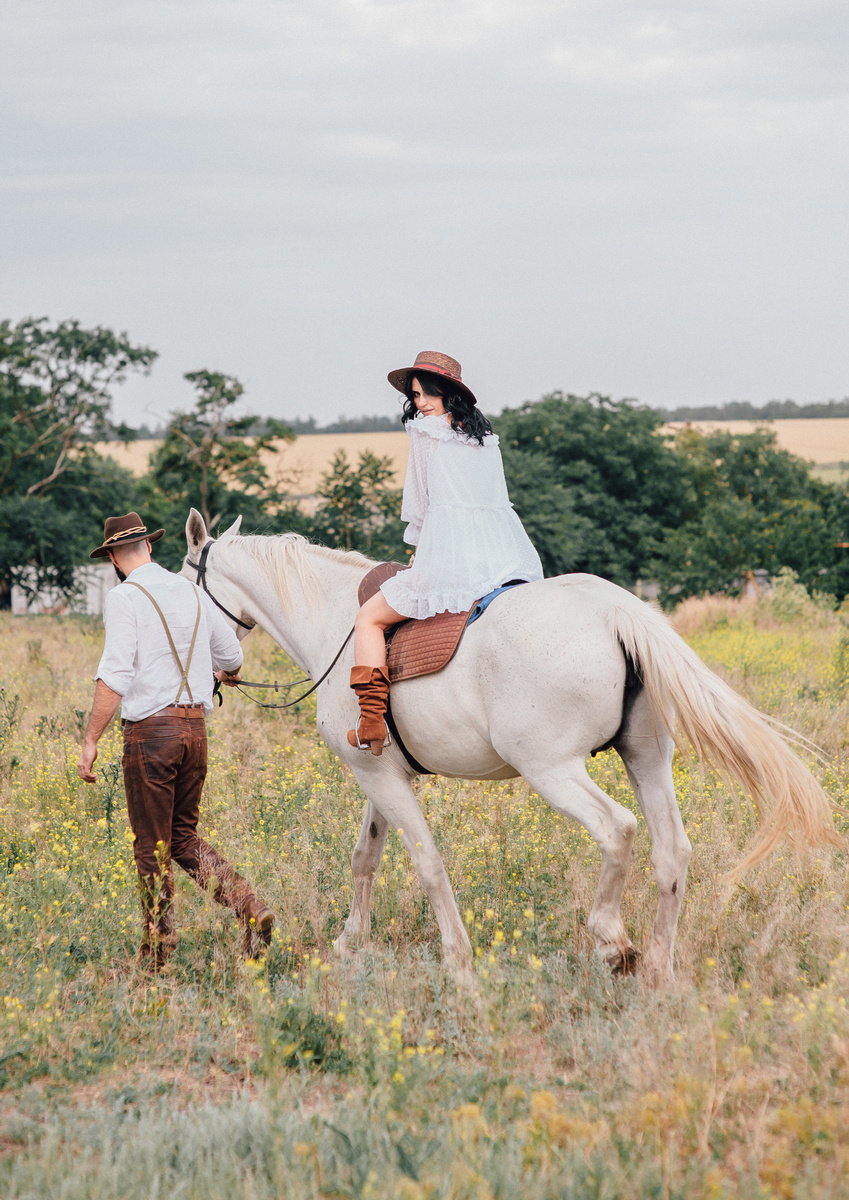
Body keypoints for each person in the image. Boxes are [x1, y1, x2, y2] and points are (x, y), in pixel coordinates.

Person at [77, 512, 275, 970]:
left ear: (113, 557)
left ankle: (157, 952)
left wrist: (90, 740)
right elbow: (232, 656)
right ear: (149, 546)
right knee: (182, 837)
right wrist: (221, 674)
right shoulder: (191, 590)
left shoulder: (124, 597)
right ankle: (250, 908)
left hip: (151, 736)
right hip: (195, 733)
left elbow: (115, 673)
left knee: (152, 846)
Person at [347, 351, 543, 755]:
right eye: (415, 396)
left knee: (368, 618)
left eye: (425, 394)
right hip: (503, 554)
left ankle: (370, 724)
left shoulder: (424, 434)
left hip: (451, 557)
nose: (419, 404)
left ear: (446, 392)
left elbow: (420, 506)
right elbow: (495, 502)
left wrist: (419, 554)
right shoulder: (485, 439)